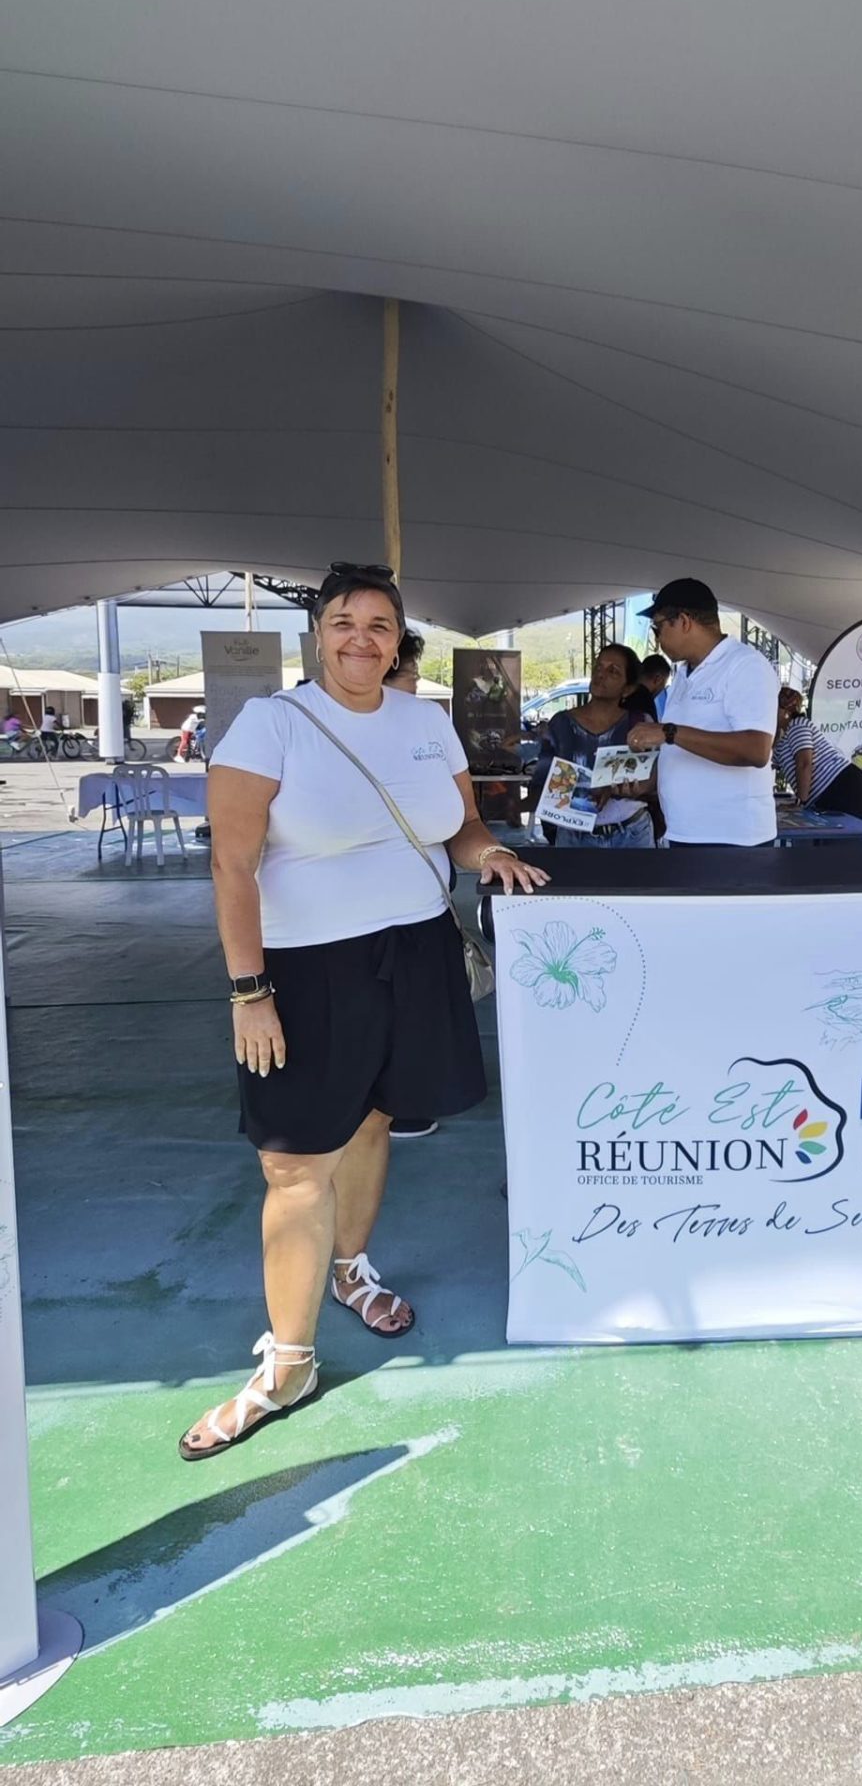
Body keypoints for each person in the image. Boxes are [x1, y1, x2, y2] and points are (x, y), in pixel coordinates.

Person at [179, 561, 548, 1460]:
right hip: (305, 970)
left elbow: (455, 827)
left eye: (379, 626)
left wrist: (490, 851)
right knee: (295, 1164)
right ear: (318, 635)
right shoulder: (272, 726)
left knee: (378, 1122)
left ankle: (351, 1269)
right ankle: (290, 1364)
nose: (361, 639)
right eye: (344, 622)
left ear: (398, 641)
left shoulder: (426, 722)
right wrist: (249, 990)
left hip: (416, 952)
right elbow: (232, 866)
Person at [628, 579, 779, 847]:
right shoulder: (683, 676)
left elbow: (756, 750)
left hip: (731, 840)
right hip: (684, 832)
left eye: (658, 627)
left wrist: (668, 732)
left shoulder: (745, 665)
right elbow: (681, 751)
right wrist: (648, 784)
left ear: (684, 621)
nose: (657, 639)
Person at [383, 629, 442, 1139]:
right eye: (413, 677)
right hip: (353, 923)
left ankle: (407, 1100)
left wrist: (490, 851)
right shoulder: (288, 719)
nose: (417, 686)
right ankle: (390, 1105)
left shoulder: (427, 724)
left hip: (424, 910)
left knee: (415, 1013)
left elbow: (463, 815)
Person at [534, 644, 658, 848]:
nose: (601, 674)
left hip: (632, 834)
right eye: (598, 667)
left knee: (638, 882)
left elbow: (657, 778)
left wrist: (629, 789)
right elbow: (543, 781)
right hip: (574, 836)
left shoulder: (640, 724)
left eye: (613, 671)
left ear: (628, 688)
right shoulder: (561, 724)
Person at [773, 687, 862, 824]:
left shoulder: (797, 726)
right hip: (829, 792)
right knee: (840, 840)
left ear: (786, 711)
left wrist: (800, 802)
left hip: (843, 785)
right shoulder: (782, 737)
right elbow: (767, 759)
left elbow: (804, 763)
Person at [638, 655, 671, 719]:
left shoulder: (624, 692)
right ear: (657, 679)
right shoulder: (647, 703)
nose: (661, 690)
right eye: (663, 684)